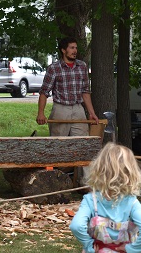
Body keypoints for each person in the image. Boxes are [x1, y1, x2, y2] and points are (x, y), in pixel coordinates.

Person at [69, 143, 141, 253]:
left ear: (98, 170)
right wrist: (132, 249)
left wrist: (89, 246)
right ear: (131, 173)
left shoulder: (91, 200)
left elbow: (76, 226)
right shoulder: (132, 202)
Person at [36, 37, 99, 182]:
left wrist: (91, 113)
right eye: (71, 48)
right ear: (63, 50)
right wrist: (41, 113)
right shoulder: (54, 68)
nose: (74, 51)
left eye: (76, 48)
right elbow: (44, 92)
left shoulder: (82, 66)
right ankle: (54, 180)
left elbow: (85, 91)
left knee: (83, 143)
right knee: (58, 145)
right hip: (60, 109)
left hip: (78, 109)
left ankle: (86, 183)